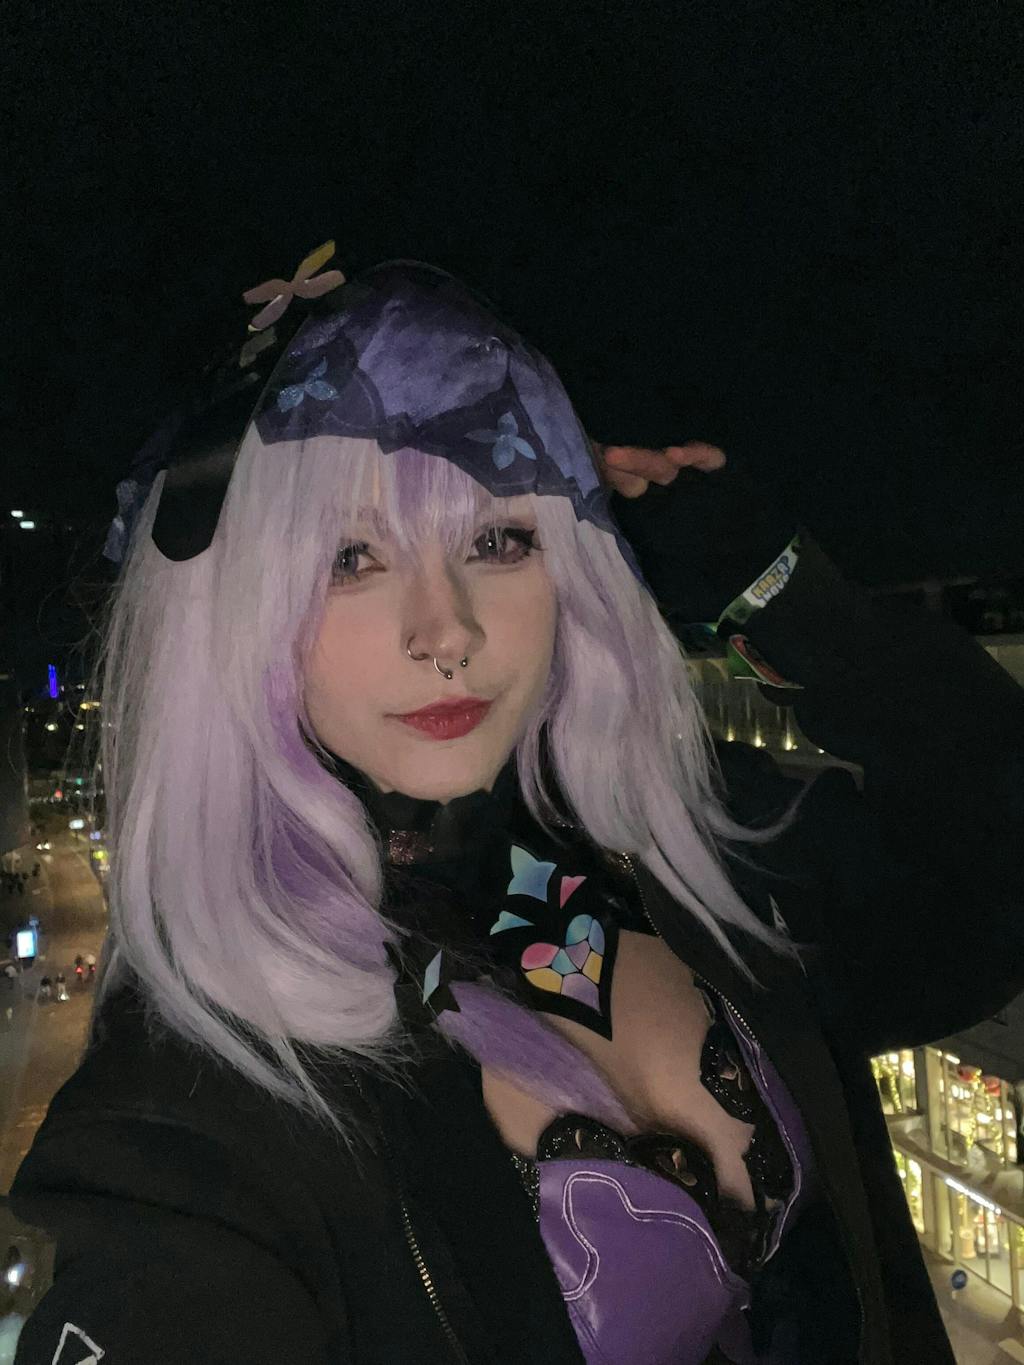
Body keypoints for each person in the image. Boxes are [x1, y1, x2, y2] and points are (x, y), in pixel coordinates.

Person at [8, 246, 1023, 1365]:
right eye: (350, 558)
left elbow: (988, 877)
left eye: (497, 540)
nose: (446, 630)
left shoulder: (687, 846)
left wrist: (780, 592)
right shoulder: (204, 1089)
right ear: (236, 613)